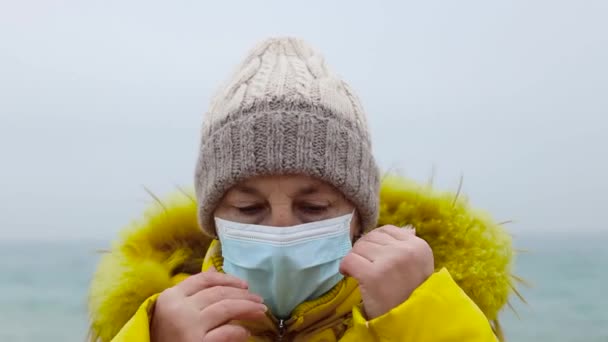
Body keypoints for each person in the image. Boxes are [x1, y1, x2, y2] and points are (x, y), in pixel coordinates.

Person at [88, 37, 515, 341]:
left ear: (358, 217)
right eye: (248, 208)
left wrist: (422, 318)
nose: (281, 232)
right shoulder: (155, 320)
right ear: (214, 220)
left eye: (313, 207)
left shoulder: (439, 304)